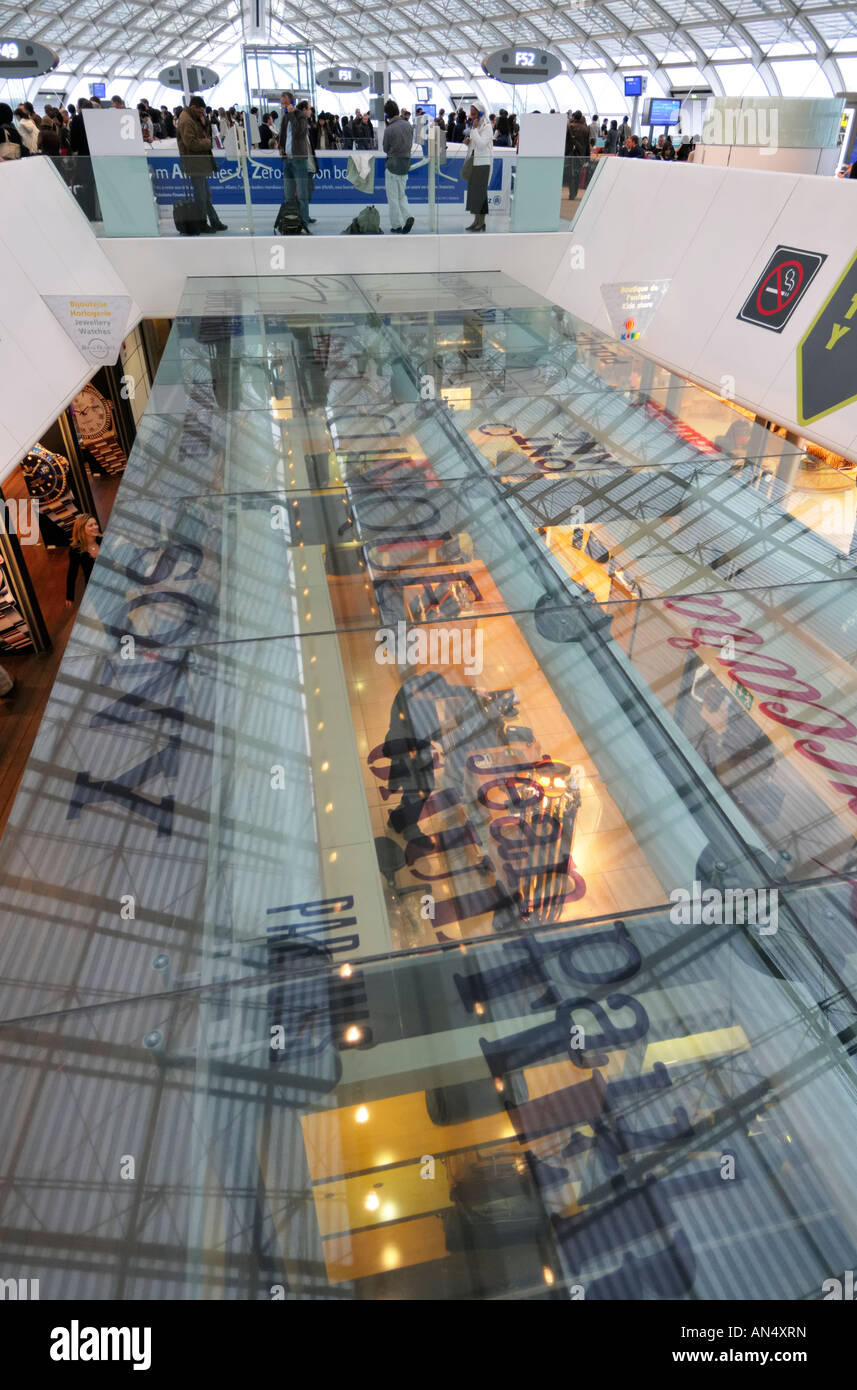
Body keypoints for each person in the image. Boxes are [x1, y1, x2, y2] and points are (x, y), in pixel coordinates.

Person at [177, 96, 228, 233]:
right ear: (193, 108)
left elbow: (201, 134)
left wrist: (203, 123)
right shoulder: (186, 121)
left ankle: (214, 221)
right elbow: (191, 143)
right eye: (200, 112)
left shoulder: (193, 118)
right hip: (194, 163)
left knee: (206, 195)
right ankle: (202, 223)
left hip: (199, 162)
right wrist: (207, 142)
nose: (202, 114)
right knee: (201, 196)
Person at [278, 90, 311, 230]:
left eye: (285, 103)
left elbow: (300, 132)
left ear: (291, 102)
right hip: (287, 160)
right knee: (288, 194)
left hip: (299, 159)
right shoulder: (285, 117)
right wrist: (280, 146)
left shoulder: (301, 115)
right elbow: (284, 135)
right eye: (282, 103)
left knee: (302, 194)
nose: (283, 105)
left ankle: (303, 221)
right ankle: (290, 219)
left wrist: (292, 114)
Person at [382, 99, 414, 234]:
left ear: (387, 115)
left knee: (393, 198)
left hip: (392, 165)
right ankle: (408, 217)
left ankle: (396, 225)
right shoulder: (408, 125)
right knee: (402, 196)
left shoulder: (389, 129)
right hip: (405, 165)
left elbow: (385, 148)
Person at [464, 105, 493, 232]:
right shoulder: (476, 127)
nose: (472, 116)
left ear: (481, 114)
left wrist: (474, 130)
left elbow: (482, 145)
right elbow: (475, 144)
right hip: (475, 162)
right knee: (474, 195)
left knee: (481, 194)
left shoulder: (487, 127)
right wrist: (469, 142)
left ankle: (482, 222)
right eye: (471, 114)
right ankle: (476, 221)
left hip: (483, 164)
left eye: (474, 114)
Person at [65, 514, 101, 606]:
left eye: (95, 524)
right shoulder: (76, 549)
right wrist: (69, 596)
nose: (95, 527)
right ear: (82, 529)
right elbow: (72, 573)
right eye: (90, 525)